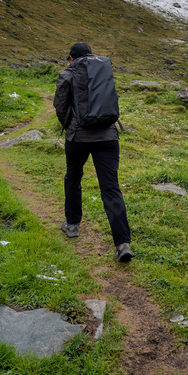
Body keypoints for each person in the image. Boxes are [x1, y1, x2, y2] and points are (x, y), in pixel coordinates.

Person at [53, 42, 133, 262]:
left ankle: (72, 225)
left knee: (73, 177)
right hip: (108, 137)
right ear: (90, 54)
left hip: (78, 138)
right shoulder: (103, 71)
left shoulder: (68, 74)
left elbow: (60, 106)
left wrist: (70, 125)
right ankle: (122, 243)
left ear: (71, 57)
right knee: (110, 188)